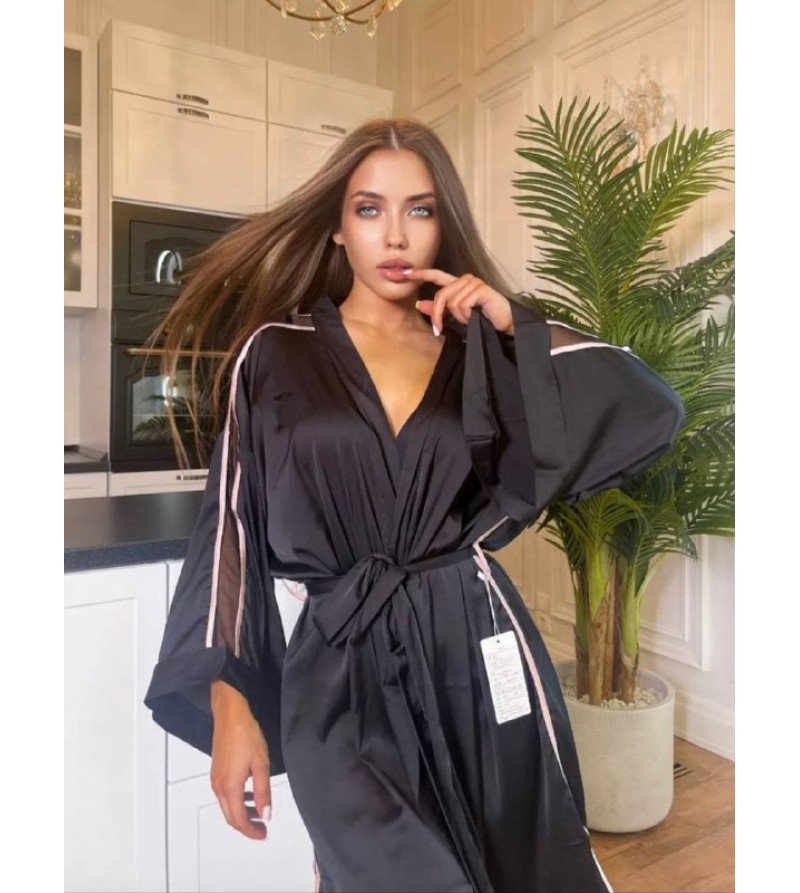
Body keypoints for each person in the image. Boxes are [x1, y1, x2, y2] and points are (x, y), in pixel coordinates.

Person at [144, 117, 684, 893]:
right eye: (369, 208)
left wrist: (511, 324)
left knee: (524, 865)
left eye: (419, 209)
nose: (395, 234)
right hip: (340, 668)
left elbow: (650, 406)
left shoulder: (477, 352)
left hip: (478, 644)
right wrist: (231, 704)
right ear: (338, 226)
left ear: (442, 224)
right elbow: (228, 532)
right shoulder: (276, 353)